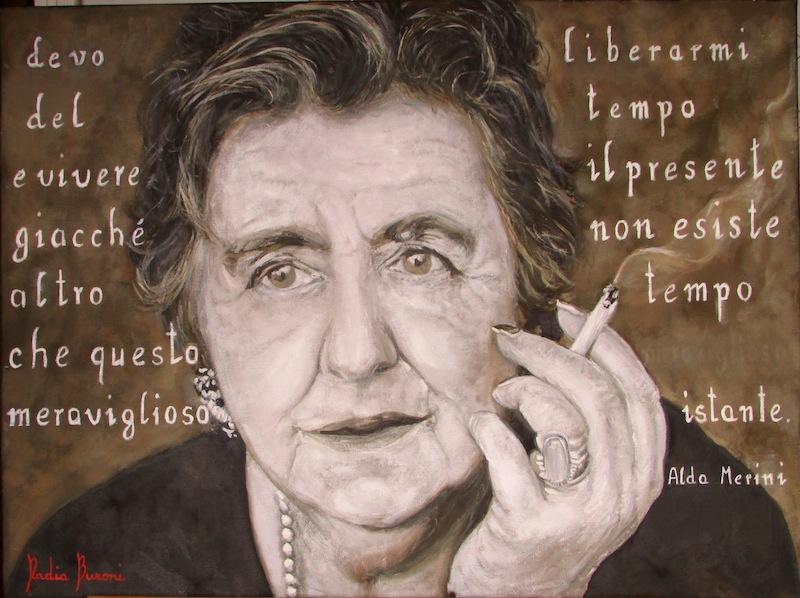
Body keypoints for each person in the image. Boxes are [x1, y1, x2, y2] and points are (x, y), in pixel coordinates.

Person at [8, 2, 797, 597]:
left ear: (530, 290)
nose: (359, 355)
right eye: (280, 272)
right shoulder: (94, 564)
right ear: (196, 327)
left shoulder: (710, 545)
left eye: (421, 260)